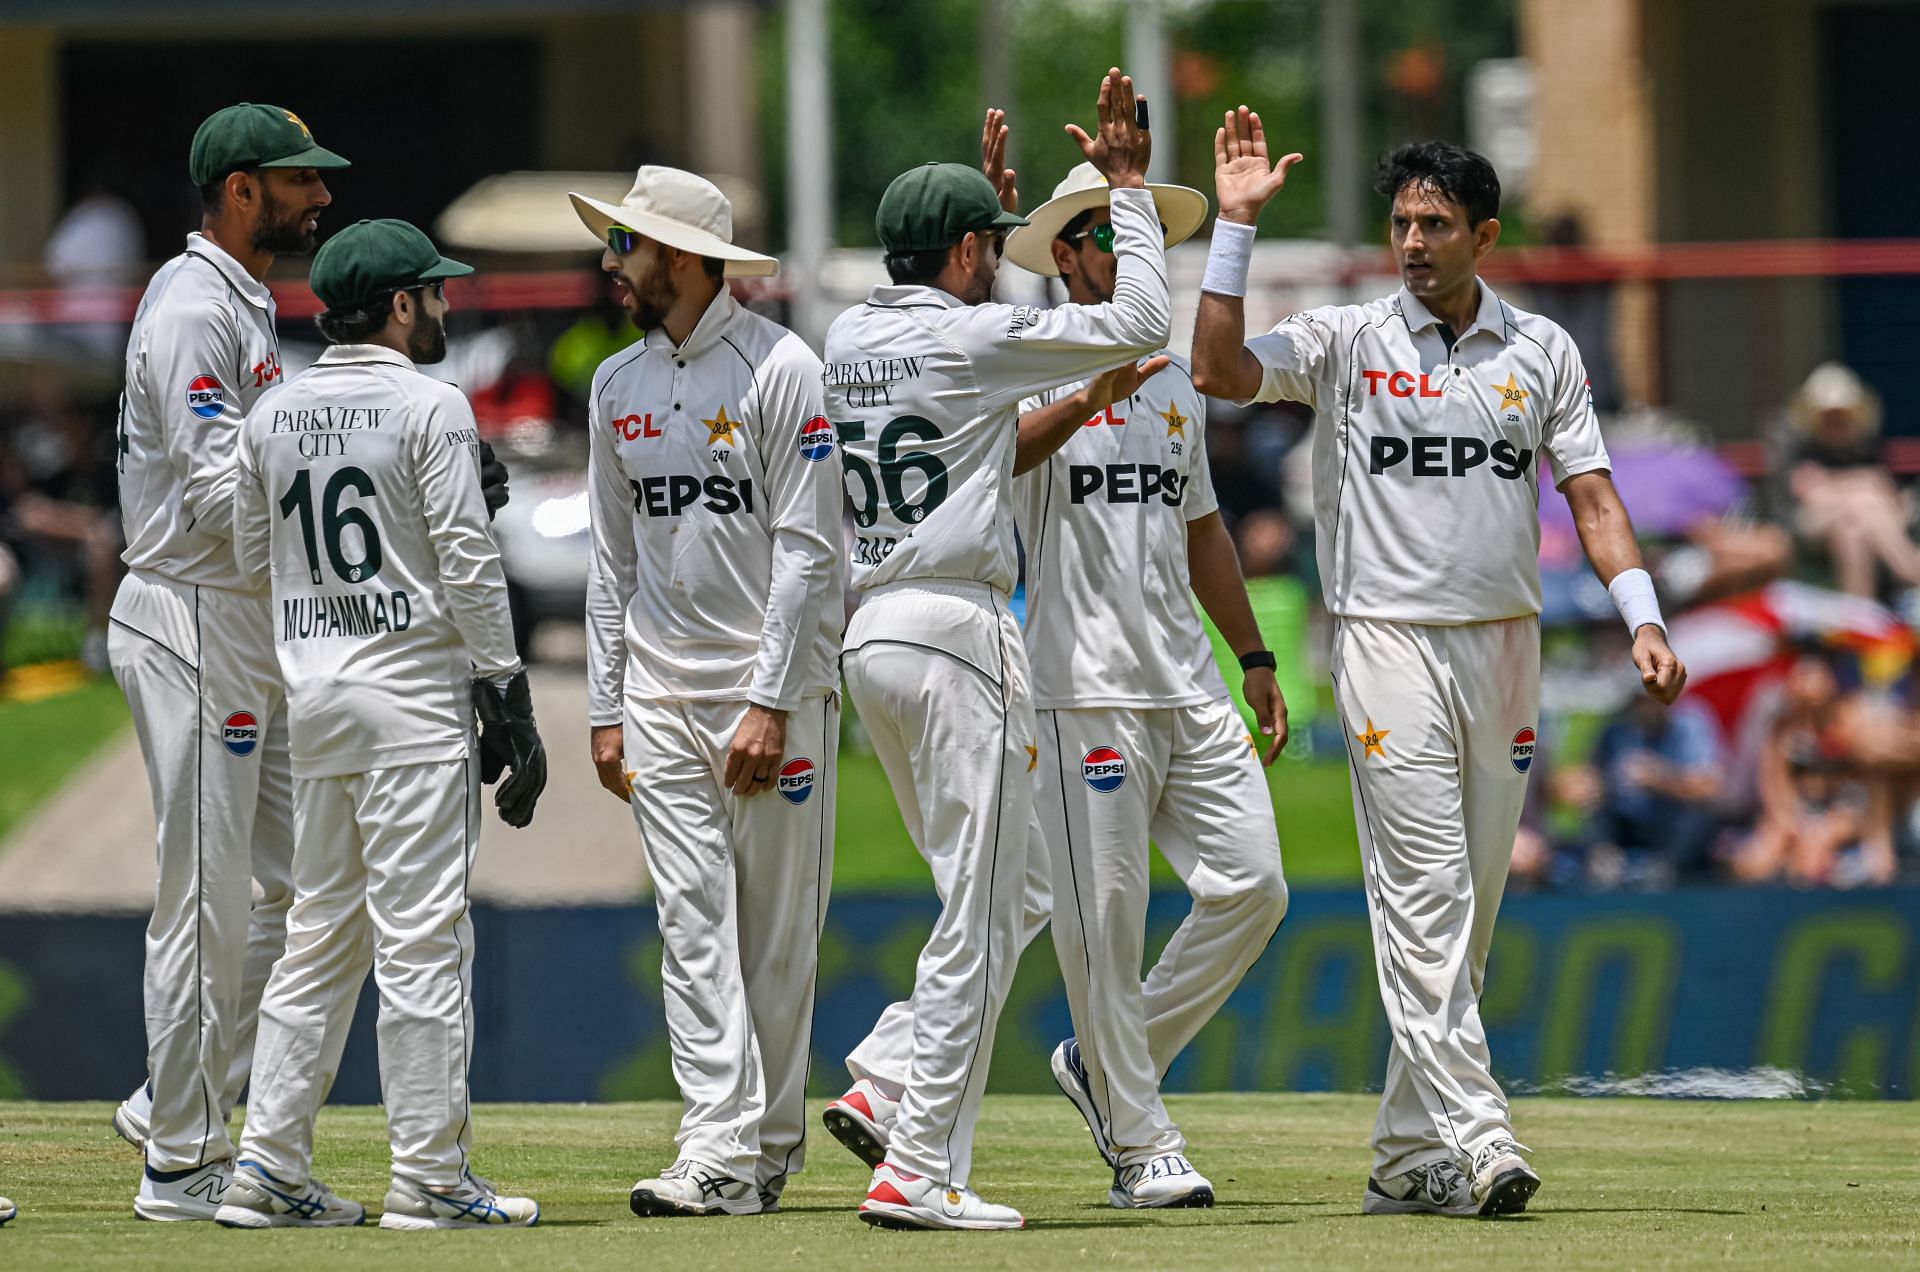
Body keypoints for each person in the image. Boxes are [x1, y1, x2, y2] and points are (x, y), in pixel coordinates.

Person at [1189, 113, 1686, 1218]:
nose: (1412, 241)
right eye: (1402, 222)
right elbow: (1217, 370)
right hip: (1383, 640)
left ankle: (1407, 1156)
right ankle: (1482, 1136)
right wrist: (1233, 228)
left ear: (1484, 233)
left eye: (1436, 223)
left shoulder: (1542, 349)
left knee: (1470, 915)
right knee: (1424, 896)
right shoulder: (1348, 339)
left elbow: (1592, 495)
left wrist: (1642, 615)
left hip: (1506, 648)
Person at [822, 68, 1169, 1231]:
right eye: (987, 245)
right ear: (969, 254)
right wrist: (1124, 192)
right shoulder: (971, 338)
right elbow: (1139, 323)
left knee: (1005, 887)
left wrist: (992, 251)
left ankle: (888, 1077)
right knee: (982, 905)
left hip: (870, 636)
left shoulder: (843, 336)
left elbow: (983, 419)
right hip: (962, 632)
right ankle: (919, 1169)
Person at [218, 219, 545, 1230]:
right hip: (411, 705)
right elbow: (465, 557)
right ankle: (432, 1180)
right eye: (433, 294)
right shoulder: (432, 406)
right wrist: (507, 690)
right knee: (421, 945)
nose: (444, 308)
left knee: (318, 939)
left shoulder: (272, 413)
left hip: (316, 702)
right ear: (400, 304)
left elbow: (247, 551)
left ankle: (267, 1166)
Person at [1007, 160, 1290, 1207]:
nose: (1134, 255)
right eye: (1112, 237)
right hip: (1081, 685)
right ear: (1068, 256)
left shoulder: (1173, 378)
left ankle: (1103, 1065)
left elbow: (1203, 525)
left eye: (1140, 238)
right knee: (1105, 921)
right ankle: (1140, 1144)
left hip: (1188, 681)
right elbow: (1004, 460)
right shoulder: (1028, 361)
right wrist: (1089, 394)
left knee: (1255, 887)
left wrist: (1254, 658)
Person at [575, 167, 844, 1218]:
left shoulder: (784, 371)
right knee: (692, 926)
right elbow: (612, 565)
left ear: (683, 259)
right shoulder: (614, 387)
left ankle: (768, 1145)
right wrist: (606, 708)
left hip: (775, 696)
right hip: (660, 694)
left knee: (776, 936)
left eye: (628, 249)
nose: (613, 265)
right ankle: (718, 1142)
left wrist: (771, 699)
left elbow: (809, 550)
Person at [107, 102, 350, 1221]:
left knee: (312, 883)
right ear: (242, 189)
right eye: (301, 180)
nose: (321, 198)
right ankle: (185, 1163)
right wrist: (331, 483)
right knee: (204, 898)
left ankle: (173, 1101)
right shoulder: (196, 308)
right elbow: (210, 497)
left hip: (238, 621)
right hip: (196, 612)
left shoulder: (235, 301)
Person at [1783, 363, 1920, 600]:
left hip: (1856, 522)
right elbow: (1808, 491)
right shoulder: (1802, 449)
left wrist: (1846, 485)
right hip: (1814, 527)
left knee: (1852, 528)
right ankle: (1910, 569)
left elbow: (1886, 490)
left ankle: (1860, 613)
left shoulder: (1867, 448)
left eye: (1841, 413)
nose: (1835, 420)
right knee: (1864, 497)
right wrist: (1863, 482)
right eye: (1829, 415)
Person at [1590, 694, 1723, 885]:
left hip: (1672, 823)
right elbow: (1593, 774)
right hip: (1627, 821)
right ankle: (1606, 864)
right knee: (1597, 807)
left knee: (1697, 815)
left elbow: (1711, 787)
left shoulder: (1692, 722)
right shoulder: (1616, 728)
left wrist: (1661, 780)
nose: (1644, 710)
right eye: (1639, 703)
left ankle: (1666, 869)